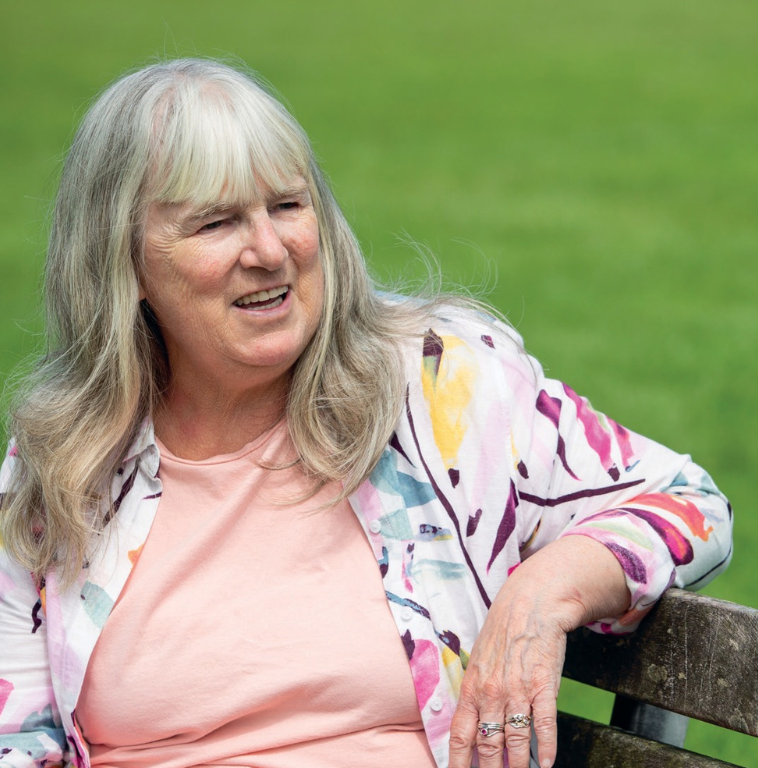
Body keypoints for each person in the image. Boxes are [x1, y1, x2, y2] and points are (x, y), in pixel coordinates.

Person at [0, 58, 731, 768]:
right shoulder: (63, 466)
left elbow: (689, 503)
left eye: (288, 205)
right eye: (216, 223)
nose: (270, 250)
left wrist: (542, 592)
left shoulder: (436, 388)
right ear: (124, 263)